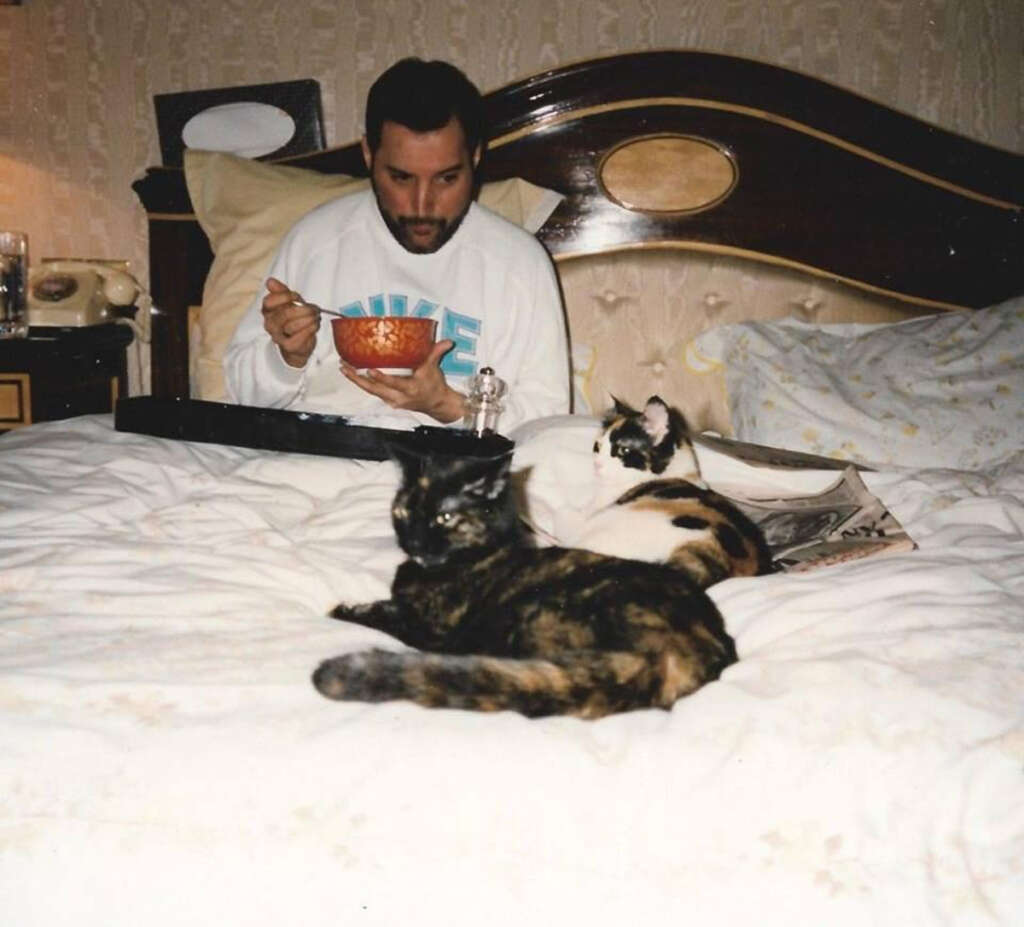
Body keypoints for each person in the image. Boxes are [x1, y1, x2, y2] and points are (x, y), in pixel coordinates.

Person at [224, 57, 570, 432]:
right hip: (316, 457)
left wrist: (451, 407)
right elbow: (241, 397)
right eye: (401, 178)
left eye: (446, 179)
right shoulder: (316, 240)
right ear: (369, 155)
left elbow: (548, 420)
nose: (423, 206)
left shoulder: (519, 264)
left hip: (448, 470)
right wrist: (286, 359)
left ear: (475, 157)